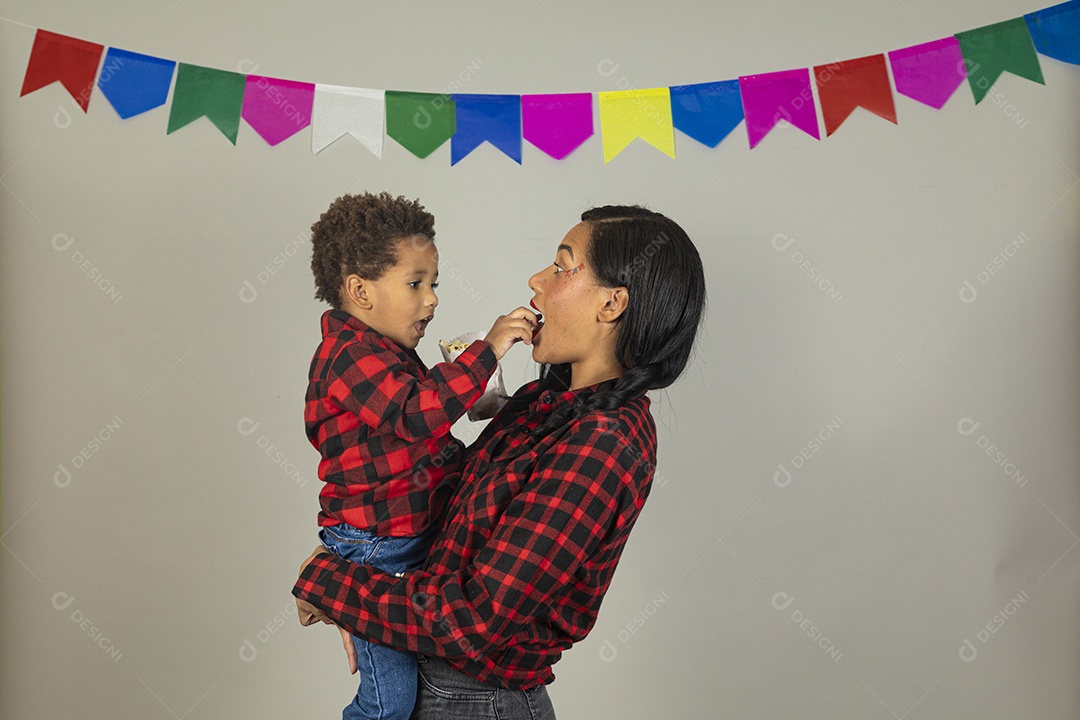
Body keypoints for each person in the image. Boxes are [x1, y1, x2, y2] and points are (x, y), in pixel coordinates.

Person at [295, 205, 706, 720]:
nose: (536, 280)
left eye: (561, 267)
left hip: (474, 701)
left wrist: (330, 583)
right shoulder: (544, 403)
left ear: (611, 303)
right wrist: (357, 560)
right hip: (438, 684)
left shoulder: (602, 442)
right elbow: (450, 506)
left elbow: (473, 621)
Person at [304, 191, 538, 720]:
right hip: (376, 550)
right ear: (360, 291)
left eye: (434, 284)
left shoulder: (388, 352)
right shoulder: (346, 357)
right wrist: (486, 352)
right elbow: (417, 414)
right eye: (416, 284)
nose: (432, 300)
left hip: (411, 538)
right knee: (389, 706)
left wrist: (491, 403)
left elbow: (429, 445)